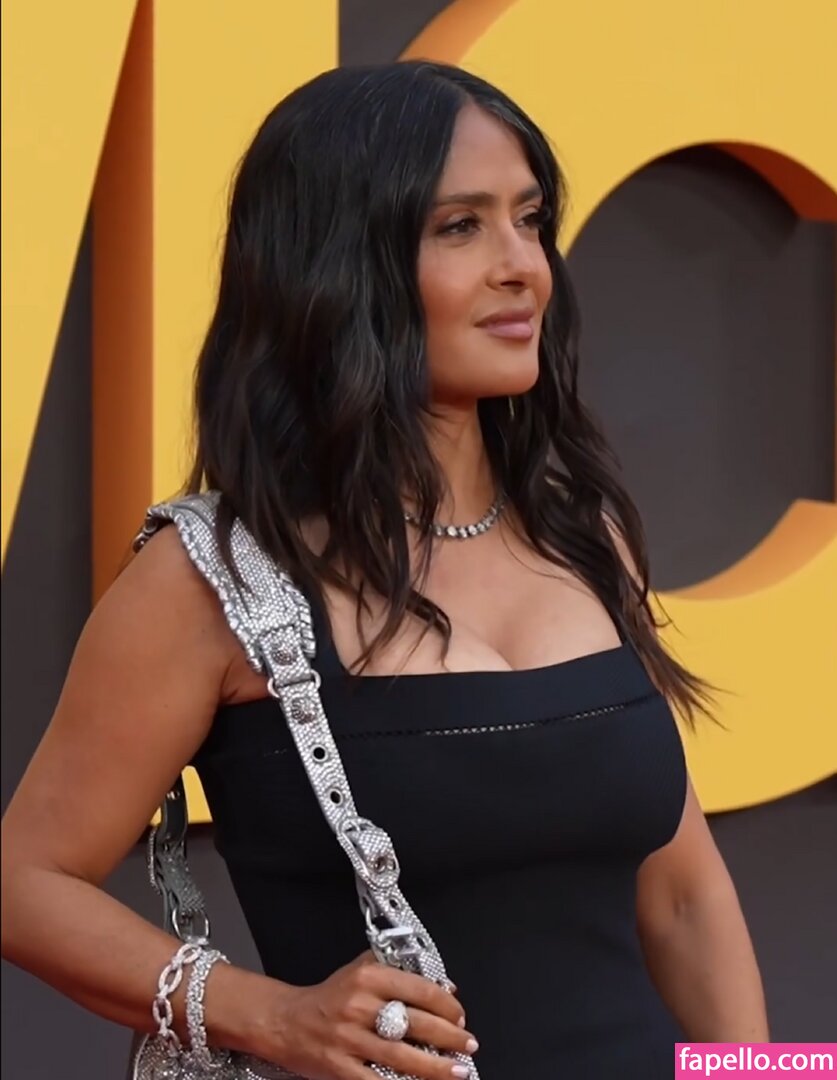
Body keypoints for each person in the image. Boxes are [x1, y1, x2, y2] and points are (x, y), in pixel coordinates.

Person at [1, 60, 768, 1078]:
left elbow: (682, 895)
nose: (524, 267)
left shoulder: (584, 534)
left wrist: (773, 1074)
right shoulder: (210, 582)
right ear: (334, 266)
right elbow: (25, 881)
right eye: (460, 227)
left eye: (529, 219)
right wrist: (270, 1017)